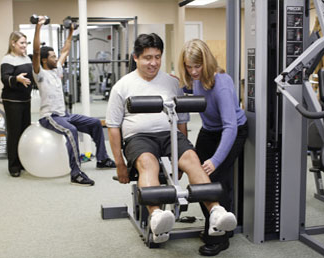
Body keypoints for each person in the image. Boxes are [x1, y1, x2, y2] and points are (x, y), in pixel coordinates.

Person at [106, 33, 237, 245]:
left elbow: (182, 121)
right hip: (139, 138)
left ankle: (216, 211)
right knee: (148, 164)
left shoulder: (172, 83)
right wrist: (120, 164)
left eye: (157, 57)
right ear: (135, 58)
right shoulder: (122, 86)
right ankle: (157, 216)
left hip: (170, 135)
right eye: (148, 57)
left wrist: (181, 150)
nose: (153, 63)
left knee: (193, 159)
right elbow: (113, 127)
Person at [178, 39, 248, 256]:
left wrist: (215, 159)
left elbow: (230, 126)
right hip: (209, 130)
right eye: (189, 67)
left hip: (232, 131)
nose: (193, 71)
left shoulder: (222, 83)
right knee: (198, 176)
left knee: (216, 178)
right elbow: (188, 88)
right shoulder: (194, 78)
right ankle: (216, 223)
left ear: (206, 62)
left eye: (197, 66)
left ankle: (220, 236)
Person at [32, 16, 115, 186]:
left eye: (56, 57)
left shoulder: (56, 70)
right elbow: (36, 52)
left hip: (65, 115)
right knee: (71, 131)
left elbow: (65, 51)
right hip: (49, 117)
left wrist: (71, 32)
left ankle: (102, 159)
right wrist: (38, 27)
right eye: (53, 57)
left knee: (95, 123)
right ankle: (76, 173)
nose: (57, 59)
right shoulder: (39, 73)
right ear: (44, 60)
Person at [0, 31, 34, 177]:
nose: (24, 46)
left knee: (25, 132)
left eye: (26, 43)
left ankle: (22, 161)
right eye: (21, 43)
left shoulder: (26, 58)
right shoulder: (8, 59)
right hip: (12, 101)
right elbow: (5, 78)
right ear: (13, 43)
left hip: (26, 99)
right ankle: (13, 166)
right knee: (14, 133)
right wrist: (17, 79)